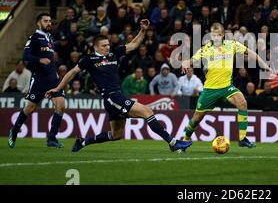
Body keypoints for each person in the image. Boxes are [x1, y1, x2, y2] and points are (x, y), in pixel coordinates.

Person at [45, 20, 192, 153]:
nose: (108, 47)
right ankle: (173, 142)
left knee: (116, 135)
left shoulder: (113, 53)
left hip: (116, 96)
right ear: (96, 47)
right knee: (147, 111)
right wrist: (58, 88)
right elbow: (72, 72)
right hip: (111, 97)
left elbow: (134, 44)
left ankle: (83, 141)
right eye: (104, 46)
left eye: (108, 44)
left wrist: (142, 31)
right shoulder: (88, 60)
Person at [181, 22, 273, 149]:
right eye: (213, 35)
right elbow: (191, 60)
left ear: (223, 35)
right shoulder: (205, 49)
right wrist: (185, 63)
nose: (216, 37)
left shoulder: (232, 45)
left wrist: (266, 66)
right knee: (197, 118)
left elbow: (252, 53)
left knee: (242, 103)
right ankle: (185, 140)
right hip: (210, 89)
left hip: (226, 87)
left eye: (218, 34)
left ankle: (242, 138)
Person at [8, 13, 66, 148]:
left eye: (50, 21)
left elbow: (49, 59)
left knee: (61, 105)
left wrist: (55, 72)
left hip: (53, 79)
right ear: (38, 23)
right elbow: (26, 55)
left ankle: (52, 139)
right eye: (45, 21)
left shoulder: (50, 38)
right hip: (39, 79)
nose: (49, 23)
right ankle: (14, 131)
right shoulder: (34, 37)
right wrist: (39, 60)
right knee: (30, 108)